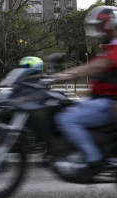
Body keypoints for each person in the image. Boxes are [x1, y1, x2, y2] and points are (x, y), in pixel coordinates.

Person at [52, 6, 117, 178]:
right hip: (102, 100)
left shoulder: (115, 48)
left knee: (66, 118)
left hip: (109, 103)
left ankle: (93, 159)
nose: (97, 30)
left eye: (99, 26)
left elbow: (95, 66)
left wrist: (62, 76)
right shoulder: (108, 47)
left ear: (109, 25)